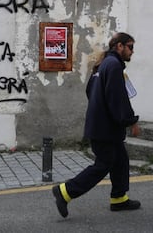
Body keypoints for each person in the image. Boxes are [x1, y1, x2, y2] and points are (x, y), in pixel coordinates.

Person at [52, 32, 141, 218]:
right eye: (130, 47)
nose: (132, 51)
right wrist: (130, 121)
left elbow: (90, 90)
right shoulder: (114, 66)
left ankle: (119, 198)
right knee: (103, 164)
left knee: (120, 160)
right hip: (105, 128)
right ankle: (66, 191)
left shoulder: (103, 64)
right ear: (120, 46)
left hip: (101, 124)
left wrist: (98, 110)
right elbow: (118, 99)